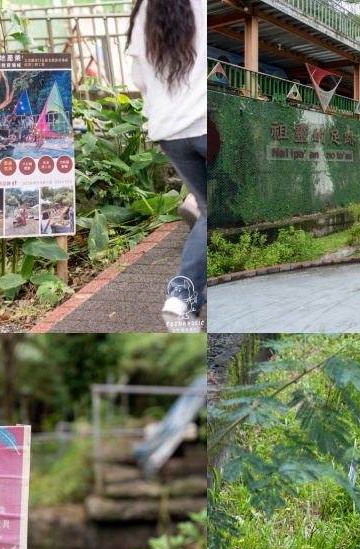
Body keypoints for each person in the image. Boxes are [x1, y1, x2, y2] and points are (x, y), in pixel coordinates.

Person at [127, 0, 206, 332]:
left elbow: (139, 80)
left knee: (210, 205)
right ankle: (182, 296)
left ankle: (185, 298)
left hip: (170, 133)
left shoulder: (145, 9)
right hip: (205, 123)